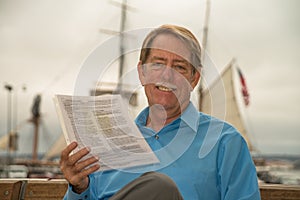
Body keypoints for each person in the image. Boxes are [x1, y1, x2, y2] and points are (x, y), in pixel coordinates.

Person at [60, 24, 260, 199]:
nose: (167, 75)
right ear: (142, 73)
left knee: (160, 188)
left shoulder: (225, 143)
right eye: (158, 64)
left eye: (180, 67)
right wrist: (79, 188)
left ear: (194, 79)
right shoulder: (106, 143)